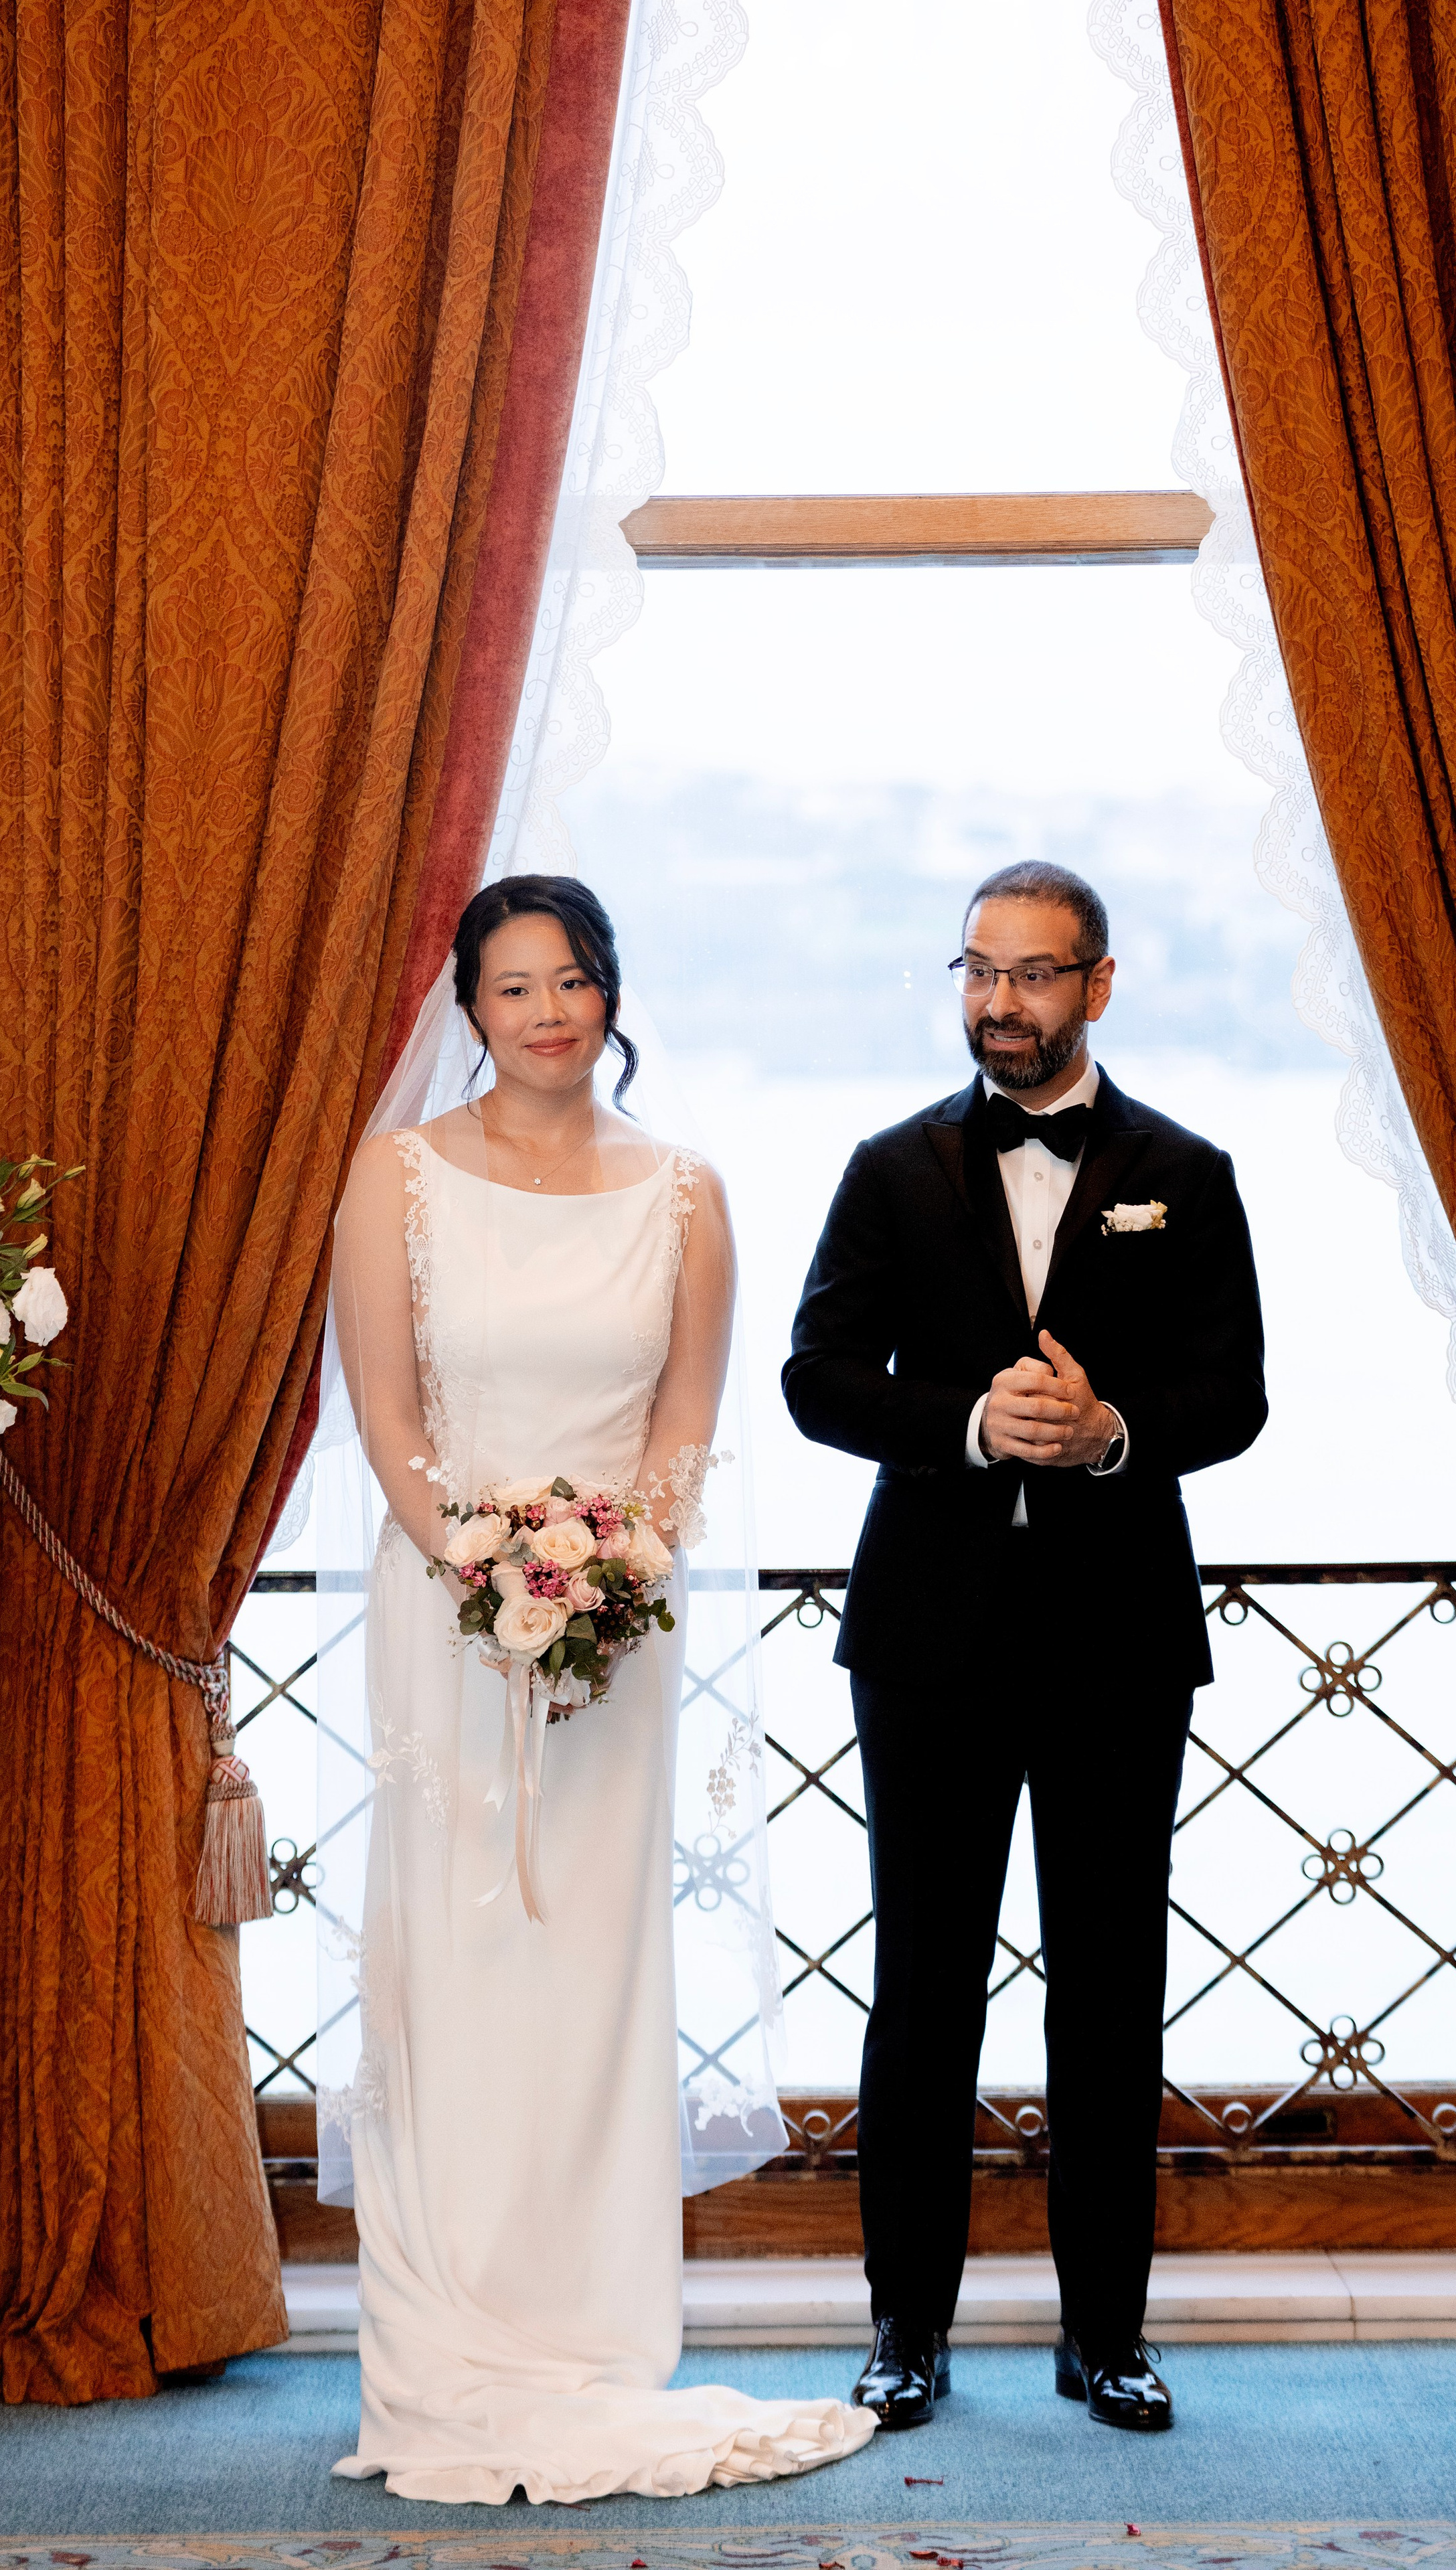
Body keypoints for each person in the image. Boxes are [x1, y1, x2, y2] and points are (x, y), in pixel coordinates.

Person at [325, 875, 875, 2503]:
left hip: (621, 1631)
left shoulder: (686, 1191)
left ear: (611, 994)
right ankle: (452, 2332)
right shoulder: (395, 1175)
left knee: (589, 1961)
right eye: (512, 988)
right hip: (446, 1614)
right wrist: (487, 1568)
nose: (547, 1010)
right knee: (464, 1943)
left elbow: (687, 1425)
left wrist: (611, 1575)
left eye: (571, 980)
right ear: (469, 1012)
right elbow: (385, 1415)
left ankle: (591, 2320)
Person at [784, 859, 1267, 2437]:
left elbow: (1235, 1395)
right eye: (978, 971)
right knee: (922, 1987)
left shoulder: (1184, 1174)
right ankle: (903, 2331)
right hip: (924, 1638)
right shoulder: (888, 1167)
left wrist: (1115, 1428)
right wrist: (974, 1422)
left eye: (1034, 973)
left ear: (1098, 985)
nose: (1000, 1001)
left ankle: (1106, 2336)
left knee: (1109, 1989)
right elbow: (818, 1378)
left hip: (1120, 1639)